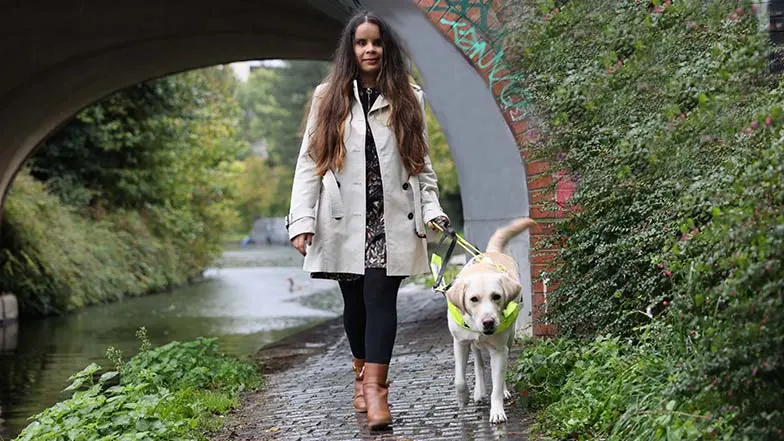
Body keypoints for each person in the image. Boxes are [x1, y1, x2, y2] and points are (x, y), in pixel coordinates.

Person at [286, 10, 453, 431]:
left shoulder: (409, 97)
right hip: (342, 219)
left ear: (387, 48)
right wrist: (302, 219)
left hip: (392, 216)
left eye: (376, 42)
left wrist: (432, 208)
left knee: (381, 299)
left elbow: (421, 164)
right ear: (351, 49)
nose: (370, 49)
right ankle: (361, 373)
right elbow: (310, 164)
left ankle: (378, 391)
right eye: (362, 43)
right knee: (355, 305)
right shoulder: (328, 97)